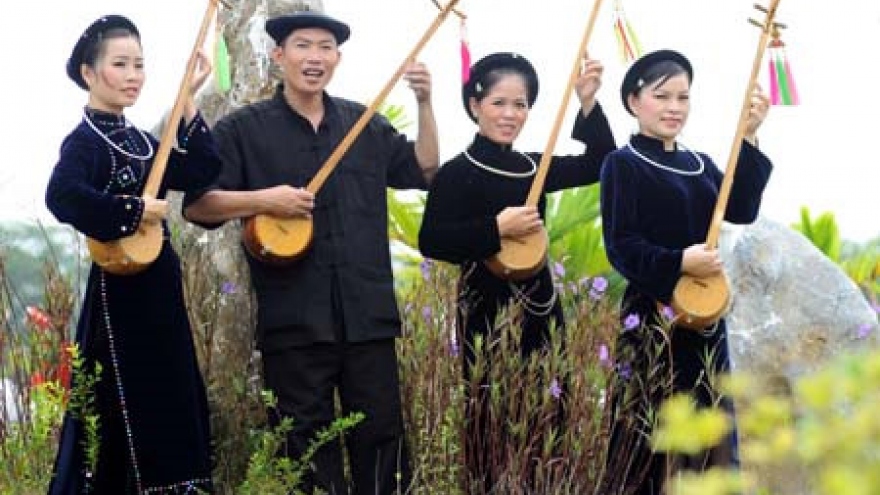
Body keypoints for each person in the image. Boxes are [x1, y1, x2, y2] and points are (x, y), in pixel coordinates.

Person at [182, 10, 439, 495]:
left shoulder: (365, 124)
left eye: (325, 47)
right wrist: (265, 200)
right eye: (302, 46)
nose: (314, 57)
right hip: (294, 324)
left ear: (337, 58)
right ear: (279, 56)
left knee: (383, 442)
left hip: (368, 319)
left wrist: (425, 102)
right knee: (304, 451)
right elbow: (199, 205)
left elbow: (423, 171)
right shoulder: (243, 129)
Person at [417, 51, 616, 492]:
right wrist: (496, 228)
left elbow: (602, 160)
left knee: (550, 413)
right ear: (475, 105)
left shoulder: (535, 167)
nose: (510, 114)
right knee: (489, 417)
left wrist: (587, 100)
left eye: (521, 104)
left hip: (541, 308)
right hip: (485, 314)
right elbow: (432, 241)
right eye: (499, 103)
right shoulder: (456, 173)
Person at [46, 14, 218, 494]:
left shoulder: (143, 142)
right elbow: (62, 196)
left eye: (139, 65)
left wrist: (188, 103)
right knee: (125, 402)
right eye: (120, 64)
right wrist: (133, 209)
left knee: (174, 394)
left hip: (160, 287)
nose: (133, 76)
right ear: (89, 73)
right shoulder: (83, 143)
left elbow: (203, 170)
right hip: (119, 298)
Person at [599, 49, 773, 494]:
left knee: (709, 434)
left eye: (683, 97)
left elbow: (742, 209)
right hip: (651, 322)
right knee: (643, 437)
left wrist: (750, 136)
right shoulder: (623, 164)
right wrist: (679, 261)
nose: (674, 107)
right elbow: (622, 247)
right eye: (662, 96)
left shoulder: (699, 165)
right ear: (634, 101)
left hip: (706, 320)